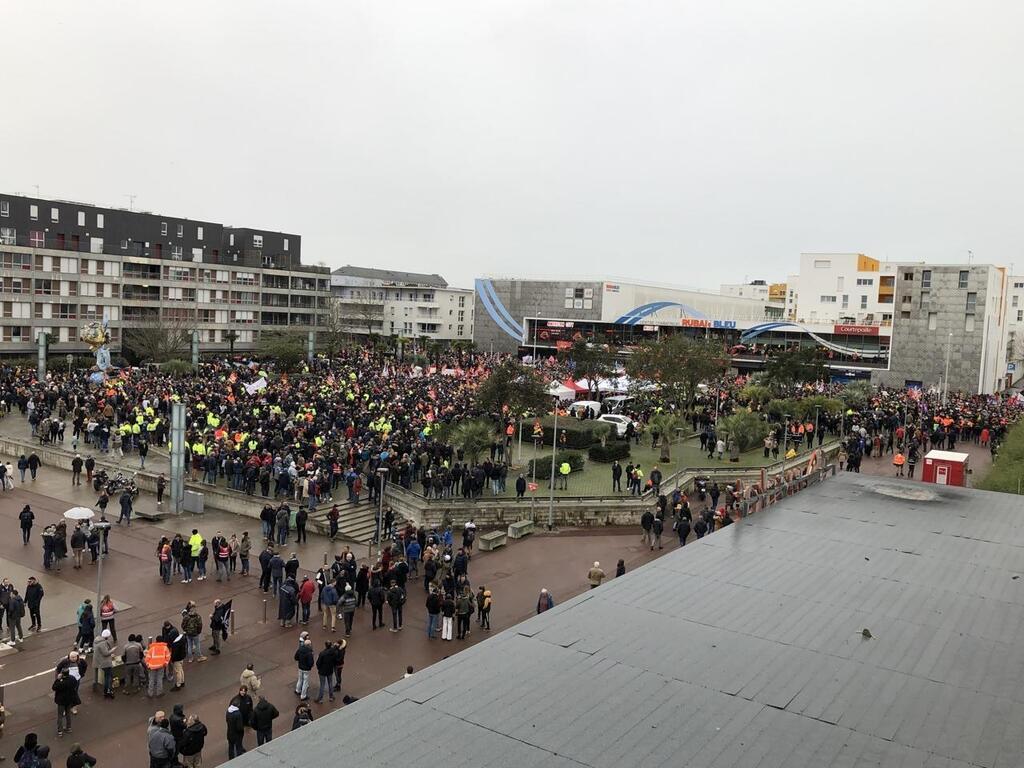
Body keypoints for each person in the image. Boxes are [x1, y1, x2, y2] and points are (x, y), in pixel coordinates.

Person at [53, 668, 77, 737]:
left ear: (62, 673)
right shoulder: (72, 678)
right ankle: (68, 728)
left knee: (60, 715)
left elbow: (54, 687)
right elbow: (75, 684)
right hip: (69, 699)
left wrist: (57, 679)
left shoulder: (61, 682)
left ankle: (60, 731)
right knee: (68, 713)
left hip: (61, 700)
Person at [94, 629, 116, 698]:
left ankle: (107, 690)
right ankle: (107, 691)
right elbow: (105, 653)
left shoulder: (97, 641)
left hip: (98, 661)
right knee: (108, 677)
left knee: (108, 675)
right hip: (105, 662)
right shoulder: (102, 643)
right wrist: (112, 651)